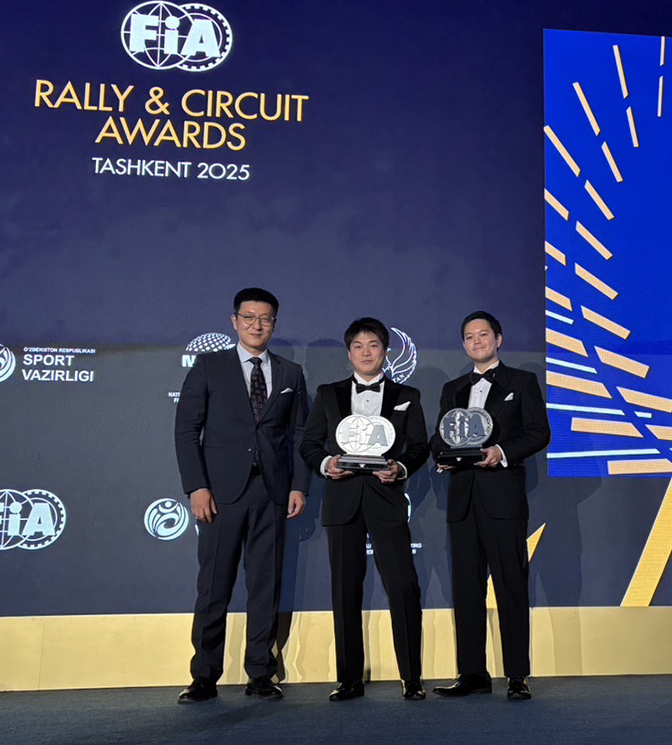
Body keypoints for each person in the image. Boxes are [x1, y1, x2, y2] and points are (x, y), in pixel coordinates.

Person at [174, 287, 309, 703]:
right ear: (234, 321)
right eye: (249, 317)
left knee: (265, 586)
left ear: (274, 324)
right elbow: (186, 431)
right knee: (214, 585)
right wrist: (197, 486)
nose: (256, 325)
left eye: (265, 318)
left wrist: (299, 485)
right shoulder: (209, 366)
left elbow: (300, 434)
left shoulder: (290, 373)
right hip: (221, 493)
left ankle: (261, 673)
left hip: (272, 492)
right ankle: (203, 676)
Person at [300, 318, 429, 701]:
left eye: (373, 345)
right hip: (342, 500)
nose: (366, 352)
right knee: (345, 591)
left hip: (386, 499)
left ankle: (412, 678)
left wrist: (400, 467)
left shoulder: (408, 395)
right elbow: (309, 444)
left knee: (403, 587)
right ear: (349, 352)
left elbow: (419, 447)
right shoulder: (328, 394)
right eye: (358, 345)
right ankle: (349, 679)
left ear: (385, 352)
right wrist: (326, 464)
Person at [430, 311, 550, 701]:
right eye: (469, 336)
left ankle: (517, 675)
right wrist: (443, 456)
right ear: (463, 344)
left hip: (503, 501)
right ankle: (472, 673)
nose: (477, 341)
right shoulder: (452, 388)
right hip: (462, 501)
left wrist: (501, 451)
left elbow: (538, 432)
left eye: (483, 334)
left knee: (511, 586)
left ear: (498, 338)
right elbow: (440, 436)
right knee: (466, 589)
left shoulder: (522, 382)